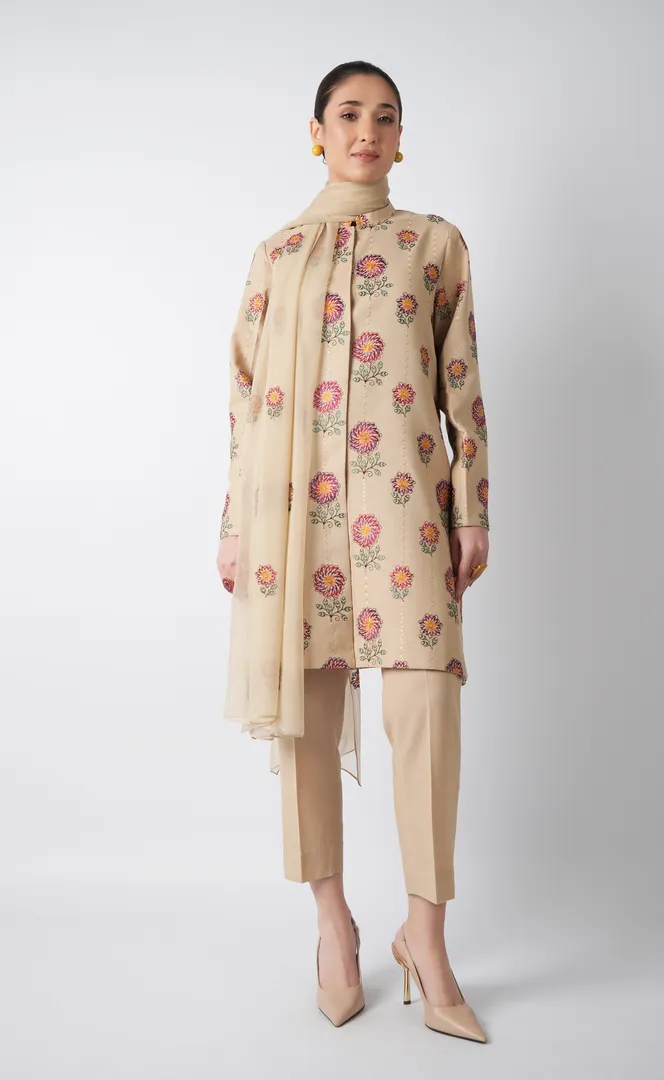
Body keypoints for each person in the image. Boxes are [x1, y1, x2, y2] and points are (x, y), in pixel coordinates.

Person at [216, 60, 490, 1042]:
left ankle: (427, 938)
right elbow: (246, 399)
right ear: (318, 131)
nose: (366, 130)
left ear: (401, 139)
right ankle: (334, 927)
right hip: (295, 521)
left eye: (384, 117)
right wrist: (235, 525)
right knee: (305, 722)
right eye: (348, 114)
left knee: (425, 714)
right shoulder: (276, 254)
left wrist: (473, 508)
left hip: (407, 507)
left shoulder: (434, 244)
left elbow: (462, 384)